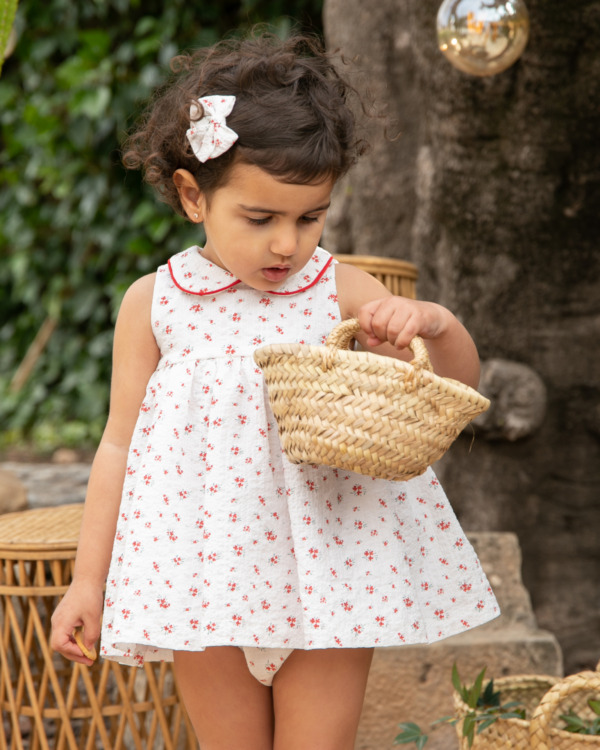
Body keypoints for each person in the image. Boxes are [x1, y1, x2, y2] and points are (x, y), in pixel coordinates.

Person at [51, 31, 499, 750]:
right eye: (260, 219)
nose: (288, 245)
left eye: (310, 216)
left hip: (328, 569)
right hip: (203, 577)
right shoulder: (154, 303)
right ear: (194, 196)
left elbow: (449, 392)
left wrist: (435, 325)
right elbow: (116, 447)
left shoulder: (337, 288)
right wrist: (86, 583)